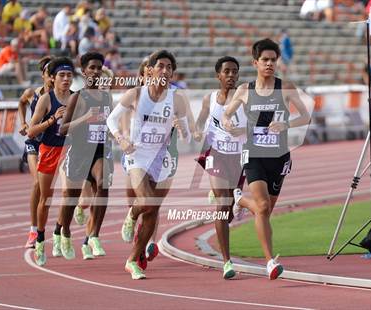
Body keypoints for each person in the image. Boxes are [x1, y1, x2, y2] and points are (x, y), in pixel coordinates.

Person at [222, 38, 310, 280]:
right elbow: (226, 114)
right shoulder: (244, 90)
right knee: (261, 207)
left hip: (279, 157)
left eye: (273, 60)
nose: (270, 64)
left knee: (265, 211)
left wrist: (286, 124)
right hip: (254, 155)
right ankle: (270, 261)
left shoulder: (286, 88)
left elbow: (305, 117)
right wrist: (229, 123)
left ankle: (239, 200)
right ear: (255, 62)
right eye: (265, 60)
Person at [107, 50, 190, 279]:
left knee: (152, 211)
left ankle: (132, 260)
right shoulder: (135, 94)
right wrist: (121, 139)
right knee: (146, 201)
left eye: (169, 67)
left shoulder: (177, 98)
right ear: (150, 70)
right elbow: (111, 119)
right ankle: (132, 215)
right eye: (160, 66)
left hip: (160, 158)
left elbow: (189, 138)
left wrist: (181, 127)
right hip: (137, 155)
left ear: (172, 73)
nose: (165, 70)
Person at [194, 56, 247, 279]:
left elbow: (256, 125)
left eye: (235, 71)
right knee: (222, 203)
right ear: (218, 75)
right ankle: (226, 262)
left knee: (229, 210)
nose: (231, 75)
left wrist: (242, 131)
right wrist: (197, 131)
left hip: (238, 157)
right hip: (216, 154)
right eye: (227, 71)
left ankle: (230, 197)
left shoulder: (245, 98)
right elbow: (200, 121)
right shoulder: (210, 99)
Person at [59, 52, 113, 260]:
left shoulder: (107, 96)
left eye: (99, 68)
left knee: (103, 183)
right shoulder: (78, 97)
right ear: (84, 71)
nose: (96, 71)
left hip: (99, 151)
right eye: (92, 68)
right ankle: (64, 232)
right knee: (70, 200)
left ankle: (94, 235)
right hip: (80, 152)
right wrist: (86, 118)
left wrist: (112, 132)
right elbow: (63, 129)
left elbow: (107, 122)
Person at [27, 57, 74, 266]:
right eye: (62, 75)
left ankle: (61, 232)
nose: (66, 79)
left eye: (69, 75)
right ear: (53, 78)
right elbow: (31, 130)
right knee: (45, 199)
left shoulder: (76, 98)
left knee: (69, 194)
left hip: (69, 150)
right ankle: (40, 238)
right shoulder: (46, 99)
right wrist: (53, 118)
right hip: (48, 151)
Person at [18, 56, 53, 248]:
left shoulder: (62, 95)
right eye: (49, 75)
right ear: (43, 76)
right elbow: (21, 102)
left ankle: (57, 230)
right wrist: (23, 122)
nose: (52, 78)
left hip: (53, 144)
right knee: (37, 183)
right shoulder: (33, 93)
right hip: (34, 142)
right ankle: (33, 231)